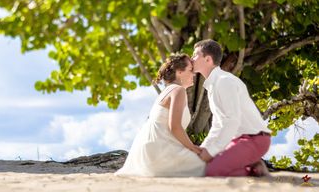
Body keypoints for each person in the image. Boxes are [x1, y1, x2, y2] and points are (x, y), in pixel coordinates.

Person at [115, 54, 206, 177]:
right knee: (209, 164)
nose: (194, 74)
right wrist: (193, 148)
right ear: (179, 72)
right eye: (190, 70)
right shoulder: (178, 91)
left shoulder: (166, 91)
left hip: (151, 152)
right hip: (160, 154)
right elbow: (175, 127)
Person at [191, 39, 271, 177]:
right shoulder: (213, 86)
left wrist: (211, 152)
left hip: (254, 139)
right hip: (237, 140)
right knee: (202, 166)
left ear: (208, 59)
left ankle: (254, 169)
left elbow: (232, 121)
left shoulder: (224, 82)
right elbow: (217, 125)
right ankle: (250, 163)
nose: (191, 58)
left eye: (195, 55)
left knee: (211, 171)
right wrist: (204, 149)